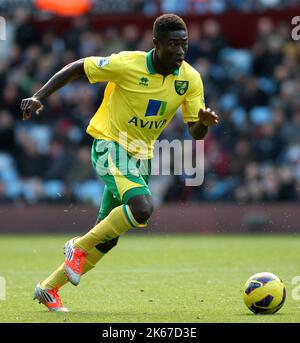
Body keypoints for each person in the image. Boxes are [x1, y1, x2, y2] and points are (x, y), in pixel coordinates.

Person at [21, 14, 219, 312]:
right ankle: (77, 245)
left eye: (184, 44)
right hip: (109, 144)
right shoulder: (127, 63)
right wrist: (39, 96)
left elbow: (194, 131)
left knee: (107, 238)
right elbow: (78, 67)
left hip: (142, 154)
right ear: (156, 44)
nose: (180, 51)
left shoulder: (190, 78)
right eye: (173, 44)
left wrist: (203, 123)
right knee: (142, 208)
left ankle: (48, 288)